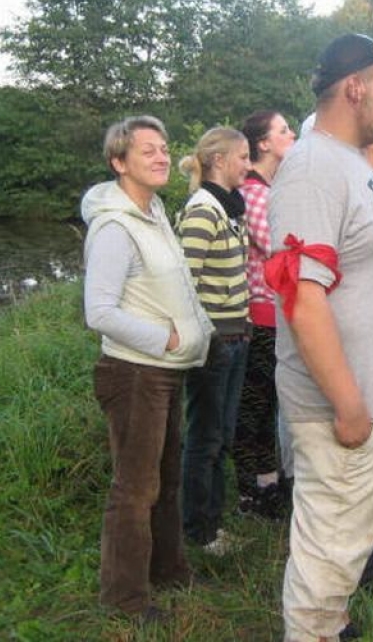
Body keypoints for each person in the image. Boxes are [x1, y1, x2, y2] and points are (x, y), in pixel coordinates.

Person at [267, 33, 373, 642]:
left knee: (351, 539)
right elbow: (302, 298)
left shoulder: (350, 163)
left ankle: (331, 627)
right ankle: (312, 631)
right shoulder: (311, 168)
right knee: (330, 545)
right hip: (345, 406)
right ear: (354, 87)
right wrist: (348, 401)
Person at [81, 115, 213, 624]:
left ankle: (168, 569)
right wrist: (169, 339)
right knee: (134, 489)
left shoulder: (155, 211)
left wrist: (197, 334)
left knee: (166, 479)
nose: (161, 157)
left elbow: (173, 288)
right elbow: (101, 312)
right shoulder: (115, 227)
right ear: (119, 162)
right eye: (147, 151)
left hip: (164, 370)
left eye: (163, 148)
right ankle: (125, 598)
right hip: (134, 373)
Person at [176, 126, 252, 555]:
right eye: (242, 157)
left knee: (220, 434)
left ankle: (213, 524)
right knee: (205, 436)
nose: (247, 164)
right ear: (219, 161)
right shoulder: (204, 210)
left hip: (235, 335)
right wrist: (208, 337)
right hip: (214, 344)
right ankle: (198, 531)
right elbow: (185, 281)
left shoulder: (227, 209)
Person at [233, 110, 298, 520]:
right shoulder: (254, 192)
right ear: (263, 144)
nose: (291, 135)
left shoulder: (271, 188)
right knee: (255, 404)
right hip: (260, 314)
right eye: (283, 130)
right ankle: (252, 490)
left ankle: (268, 481)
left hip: (276, 313)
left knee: (269, 402)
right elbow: (276, 245)